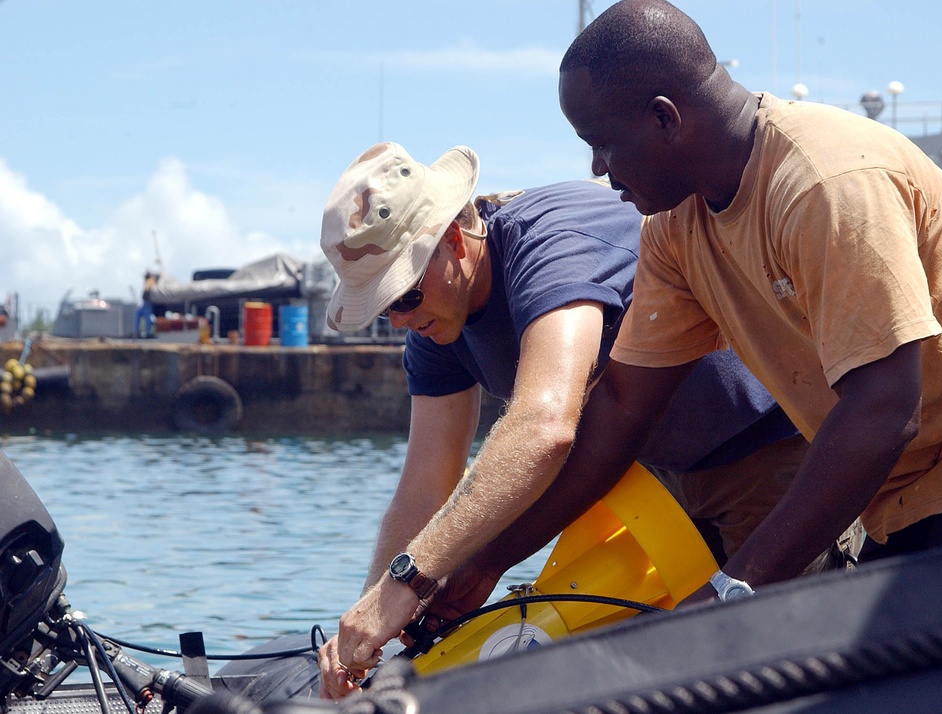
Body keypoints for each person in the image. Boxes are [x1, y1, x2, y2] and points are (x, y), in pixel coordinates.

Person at [456, 0, 942, 616]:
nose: (596, 170)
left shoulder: (824, 185)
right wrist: (487, 560)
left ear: (665, 119)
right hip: (902, 497)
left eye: (602, 145)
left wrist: (731, 589)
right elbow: (621, 408)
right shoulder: (673, 226)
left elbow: (882, 408)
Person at [315, 141, 850, 698]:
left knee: (774, 672)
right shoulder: (435, 320)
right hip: (648, 481)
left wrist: (409, 580)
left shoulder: (549, 245)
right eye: (383, 306)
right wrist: (370, 620)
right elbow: (426, 481)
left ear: (453, 239)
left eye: (403, 293)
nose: (399, 318)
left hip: (770, 444)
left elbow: (544, 426)